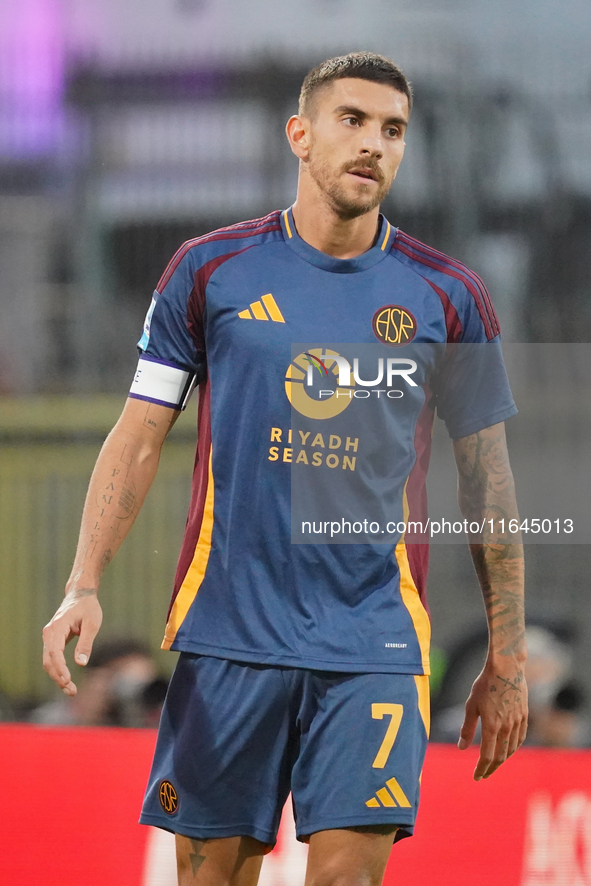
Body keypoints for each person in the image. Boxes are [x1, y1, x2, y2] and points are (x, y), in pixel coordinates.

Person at [42, 52, 528, 886]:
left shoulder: (447, 295)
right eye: (352, 121)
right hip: (228, 634)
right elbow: (136, 436)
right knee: (210, 877)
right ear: (299, 134)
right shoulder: (209, 270)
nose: (373, 144)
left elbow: (489, 484)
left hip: (371, 638)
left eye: (392, 130)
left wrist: (508, 658)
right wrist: (82, 582)